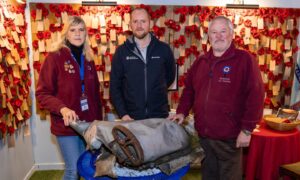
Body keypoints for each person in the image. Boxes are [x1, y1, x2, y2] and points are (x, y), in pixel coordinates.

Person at [169, 16, 265, 180]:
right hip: (205, 137)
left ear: (232, 34)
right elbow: (190, 91)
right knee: (208, 176)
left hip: (230, 139)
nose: (218, 36)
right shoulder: (201, 62)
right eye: (214, 32)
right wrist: (181, 112)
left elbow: (256, 96)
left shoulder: (244, 60)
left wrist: (247, 130)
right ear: (209, 36)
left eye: (223, 31)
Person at [36, 16, 102, 180]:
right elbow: (42, 93)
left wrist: (98, 123)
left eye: (81, 30)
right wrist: (62, 108)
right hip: (66, 125)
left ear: (86, 34)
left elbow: (95, 95)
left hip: (88, 125)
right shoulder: (54, 58)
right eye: (73, 30)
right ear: (66, 34)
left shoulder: (89, 59)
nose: (77, 34)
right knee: (73, 171)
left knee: (86, 168)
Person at [110, 7, 176, 121]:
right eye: (135, 21)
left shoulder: (163, 49)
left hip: (159, 117)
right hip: (131, 119)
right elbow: (115, 87)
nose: (139, 25)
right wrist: (123, 114)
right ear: (130, 24)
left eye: (143, 21)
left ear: (150, 23)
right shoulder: (121, 52)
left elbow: (169, 77)